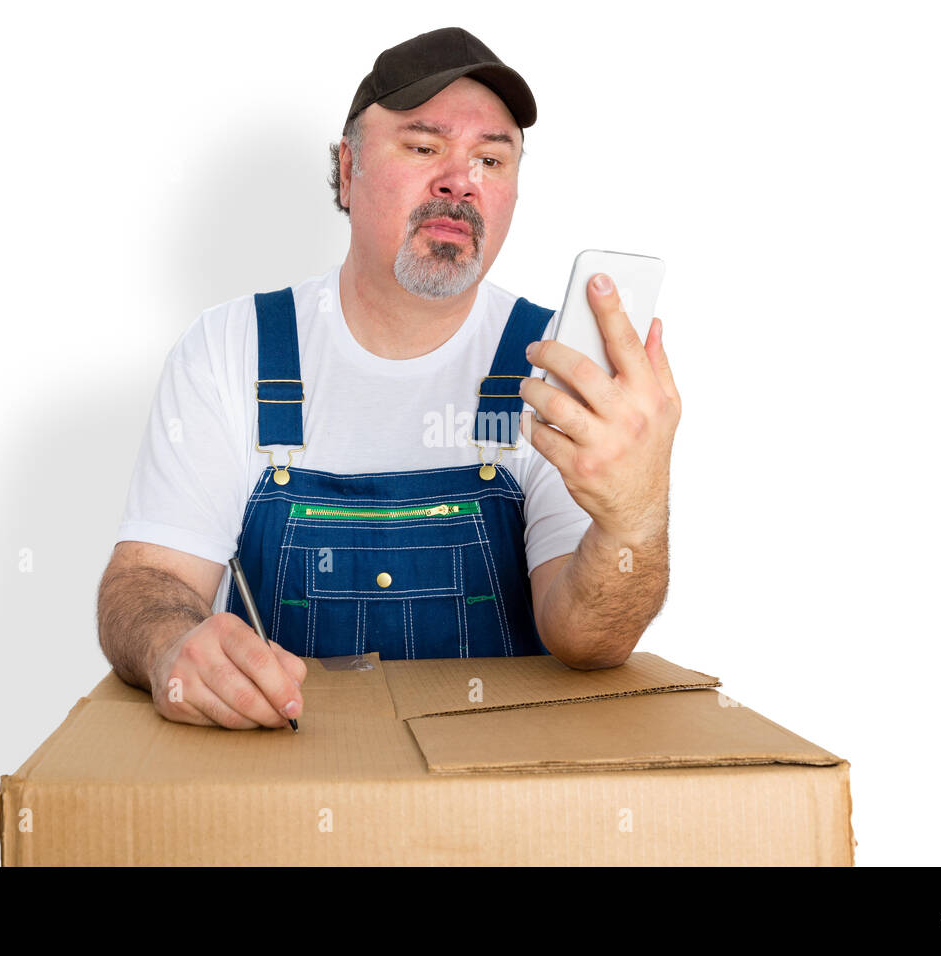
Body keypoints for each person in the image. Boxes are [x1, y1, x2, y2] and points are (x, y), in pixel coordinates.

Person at [97, 26, 681, 730]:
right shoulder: (232, 349)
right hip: (283, 786)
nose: (460, 180)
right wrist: (171, 646)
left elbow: (587, 640)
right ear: (348, 171)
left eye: (492, 160)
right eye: (424, 147)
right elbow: (147, 580)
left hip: (496, 798)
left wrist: (634, 521)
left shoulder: (554, 365)